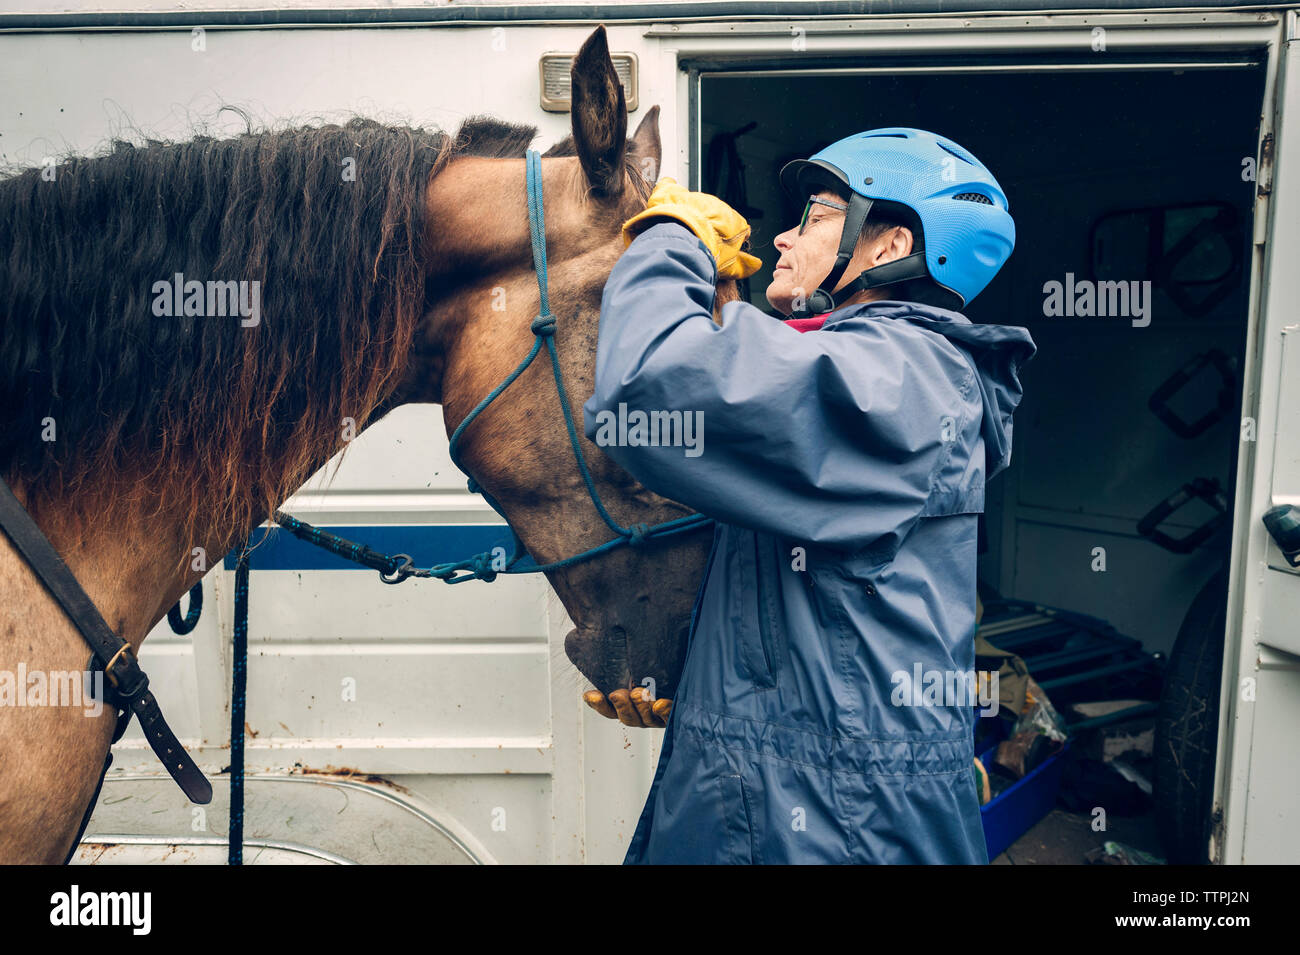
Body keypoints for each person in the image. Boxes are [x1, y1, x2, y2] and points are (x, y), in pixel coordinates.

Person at [580, 127, 1037, 864]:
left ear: (889, 245)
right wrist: (694, 674)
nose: (785, 237)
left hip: (840, 823)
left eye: (818, 215)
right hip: (791, 797)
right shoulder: (864, 364)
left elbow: (647, 387)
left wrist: (674, 237)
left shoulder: (904, 378)